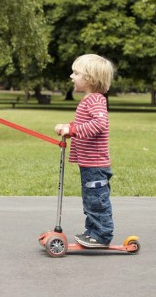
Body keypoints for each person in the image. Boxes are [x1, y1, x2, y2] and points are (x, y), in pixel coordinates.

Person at [55, 54, 115, 248]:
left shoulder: (95, 100)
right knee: (90, 200)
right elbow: (84, 124)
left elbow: (99, 124)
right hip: (88, 163)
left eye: (76, 73)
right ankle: (93, 231)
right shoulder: (89, 100)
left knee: (97, 200)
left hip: (95, 164)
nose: (71, 76)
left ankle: (102, 234)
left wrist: (72, 130)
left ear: (89, 78)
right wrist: (69, 127)